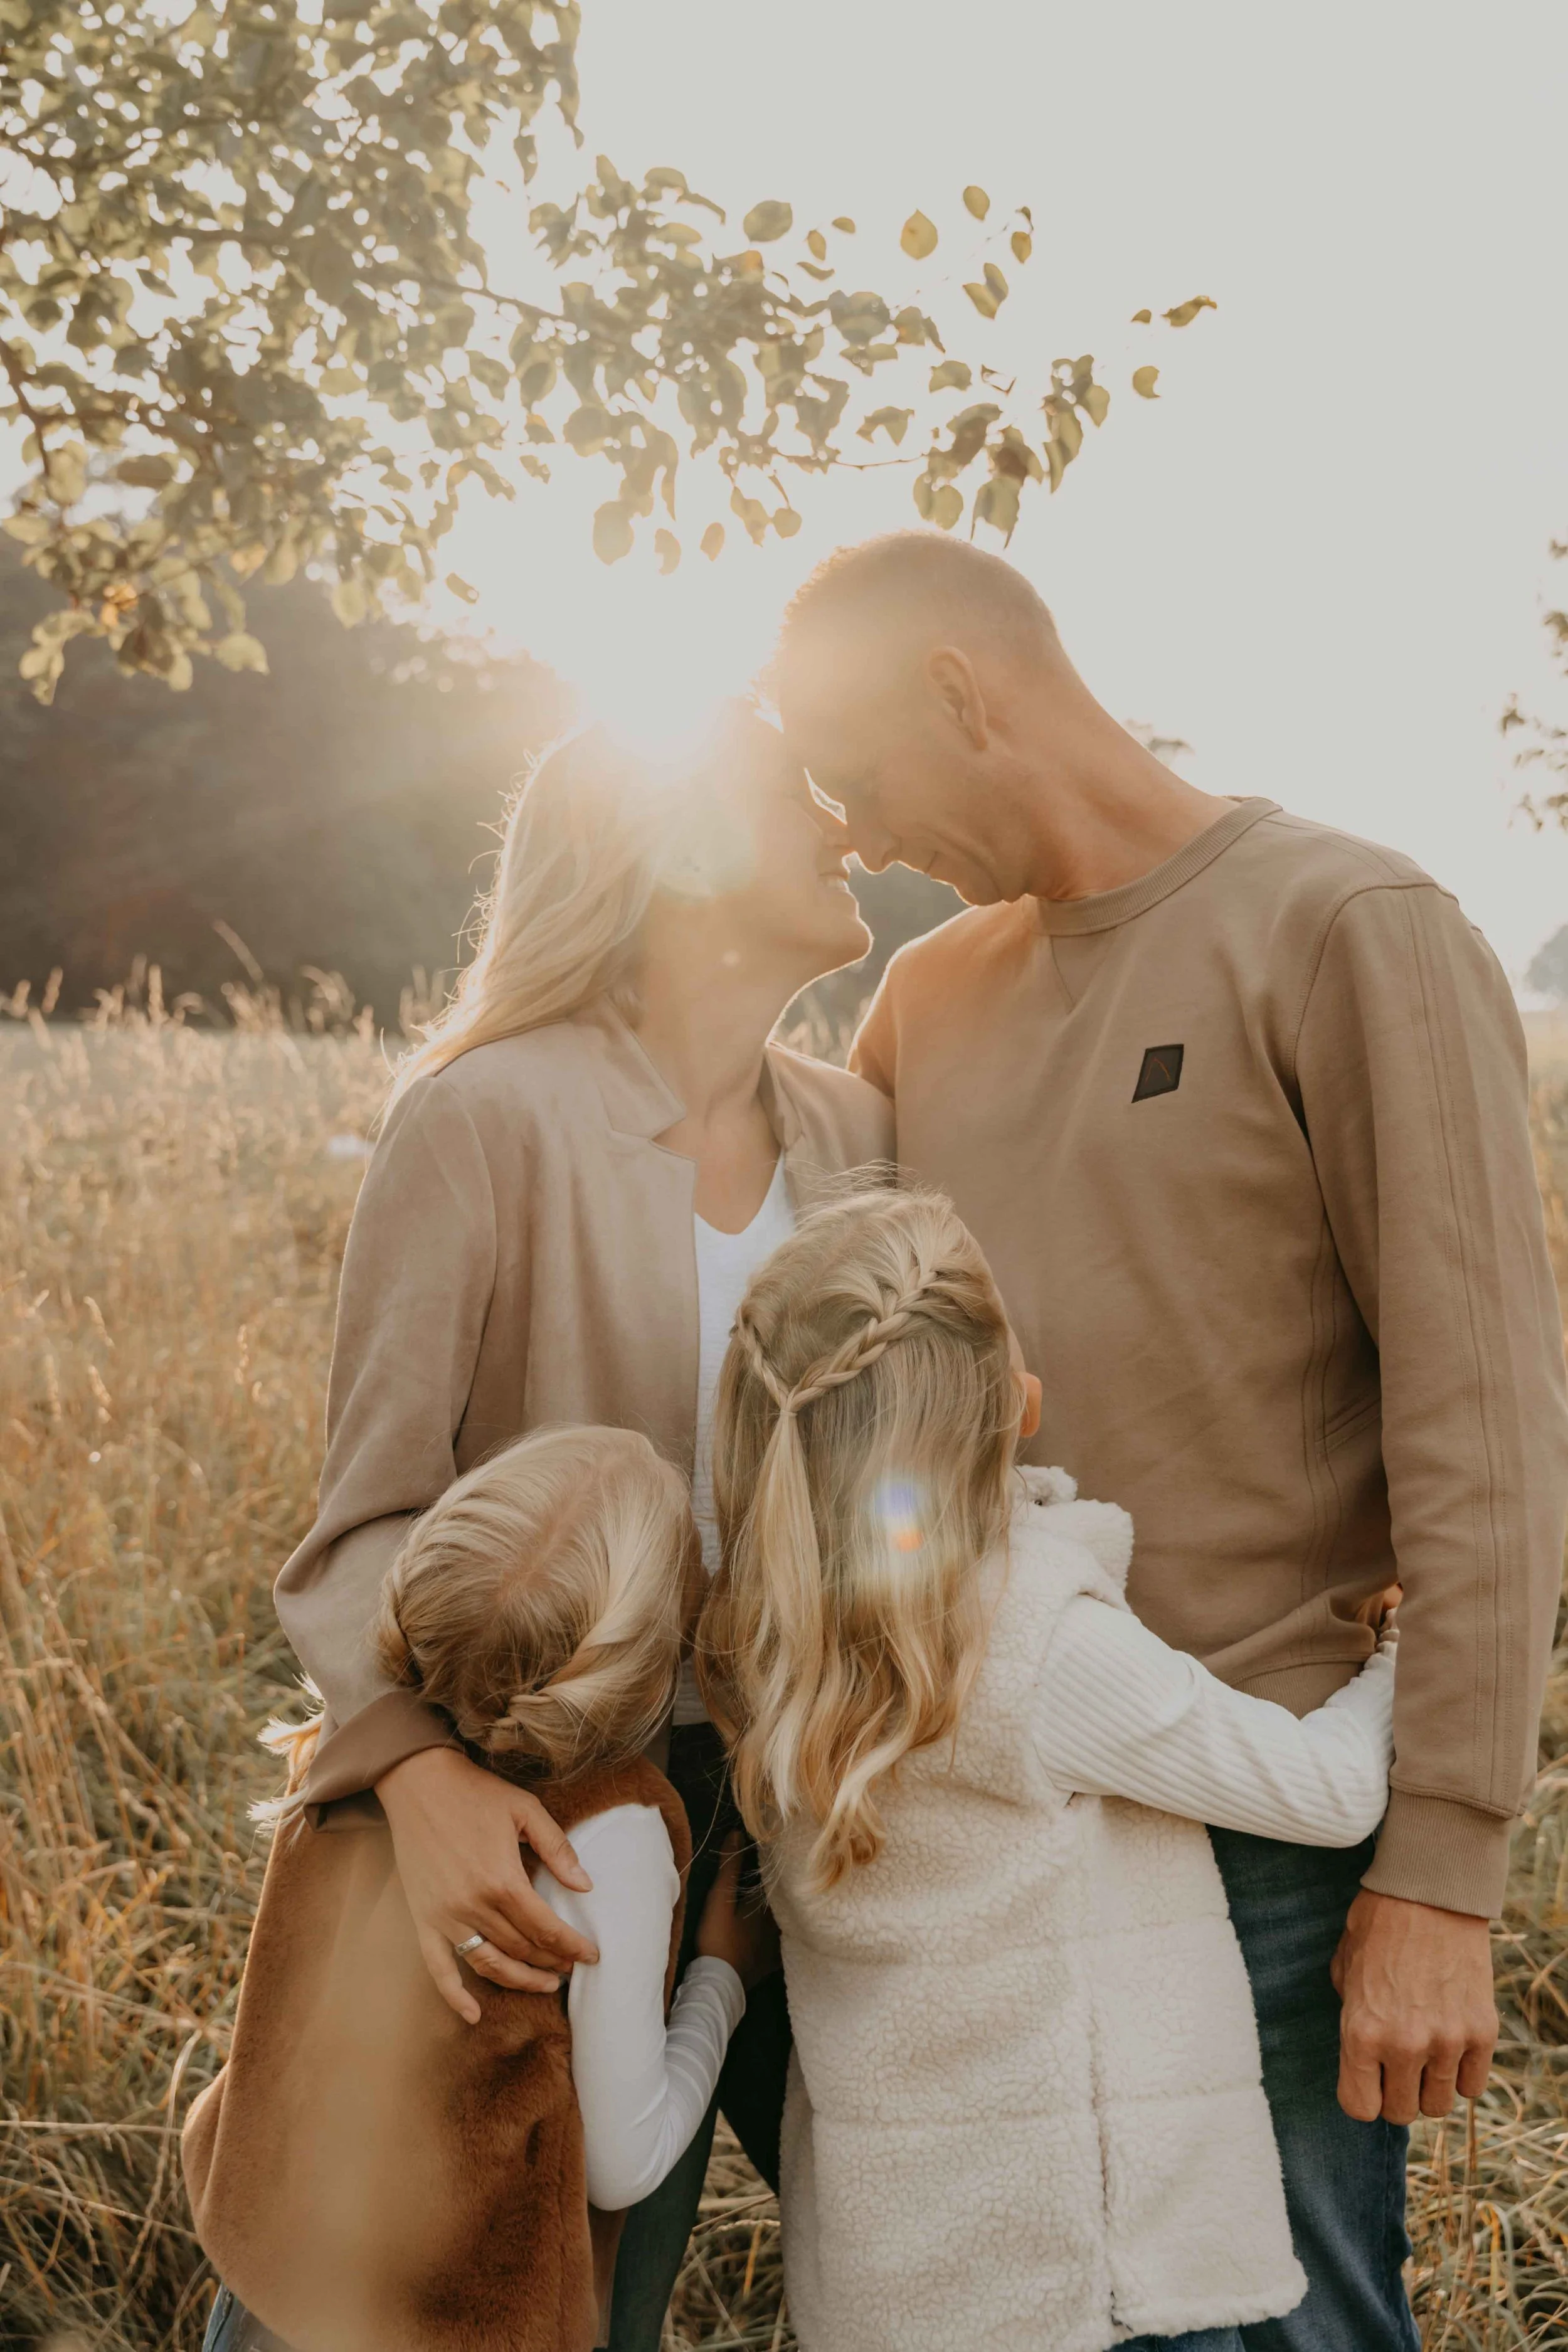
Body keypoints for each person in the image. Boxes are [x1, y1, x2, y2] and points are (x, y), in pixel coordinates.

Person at [768, 531, 1568, 2349]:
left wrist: (1440, 1864)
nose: (866, 837)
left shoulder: (1347, 924)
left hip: (1262, 1827)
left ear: (963, 690)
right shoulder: (928, 1001)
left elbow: (1488, 1423)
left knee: (1297, 2325)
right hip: (980, 1842)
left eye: (864, 777)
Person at [265, 702, 889, 2348]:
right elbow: (359, 1525)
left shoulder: (855, 1138)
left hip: (760, 1822)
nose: (844, 821)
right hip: (521, 1815)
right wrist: (421, 1776)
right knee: (368, 2295)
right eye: (797, 790)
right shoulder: (483, 1117)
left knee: (593, 2297)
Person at [696, 1186, 1399, 2352]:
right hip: (1093, 2280)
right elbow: (1328, 1792)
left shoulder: (767, 1637)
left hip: (912, 2287)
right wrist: (1404, 1646)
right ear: (1003, 1402)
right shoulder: (1033, 1642)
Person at [186, 1425, 777, 2352]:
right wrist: (723, 1981)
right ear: (659, 1658)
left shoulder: (358, 1751)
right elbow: (624, 2165)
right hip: (447, 2323)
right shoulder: (607, 1837)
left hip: (276, 2270)